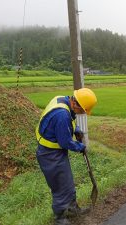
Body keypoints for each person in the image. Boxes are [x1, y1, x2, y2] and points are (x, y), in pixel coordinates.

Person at [35, 88, 97, 225]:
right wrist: (80, 147)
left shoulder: (63, 100)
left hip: (55, 152)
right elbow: (65, 142)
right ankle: (60, 217)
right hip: (50, 155)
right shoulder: (61, 115)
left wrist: (76, 129)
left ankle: (73, 209)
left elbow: (69, 119)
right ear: (76, 104)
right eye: (83, 111)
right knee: (60, 186)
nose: (83, 114)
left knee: (68, 183)